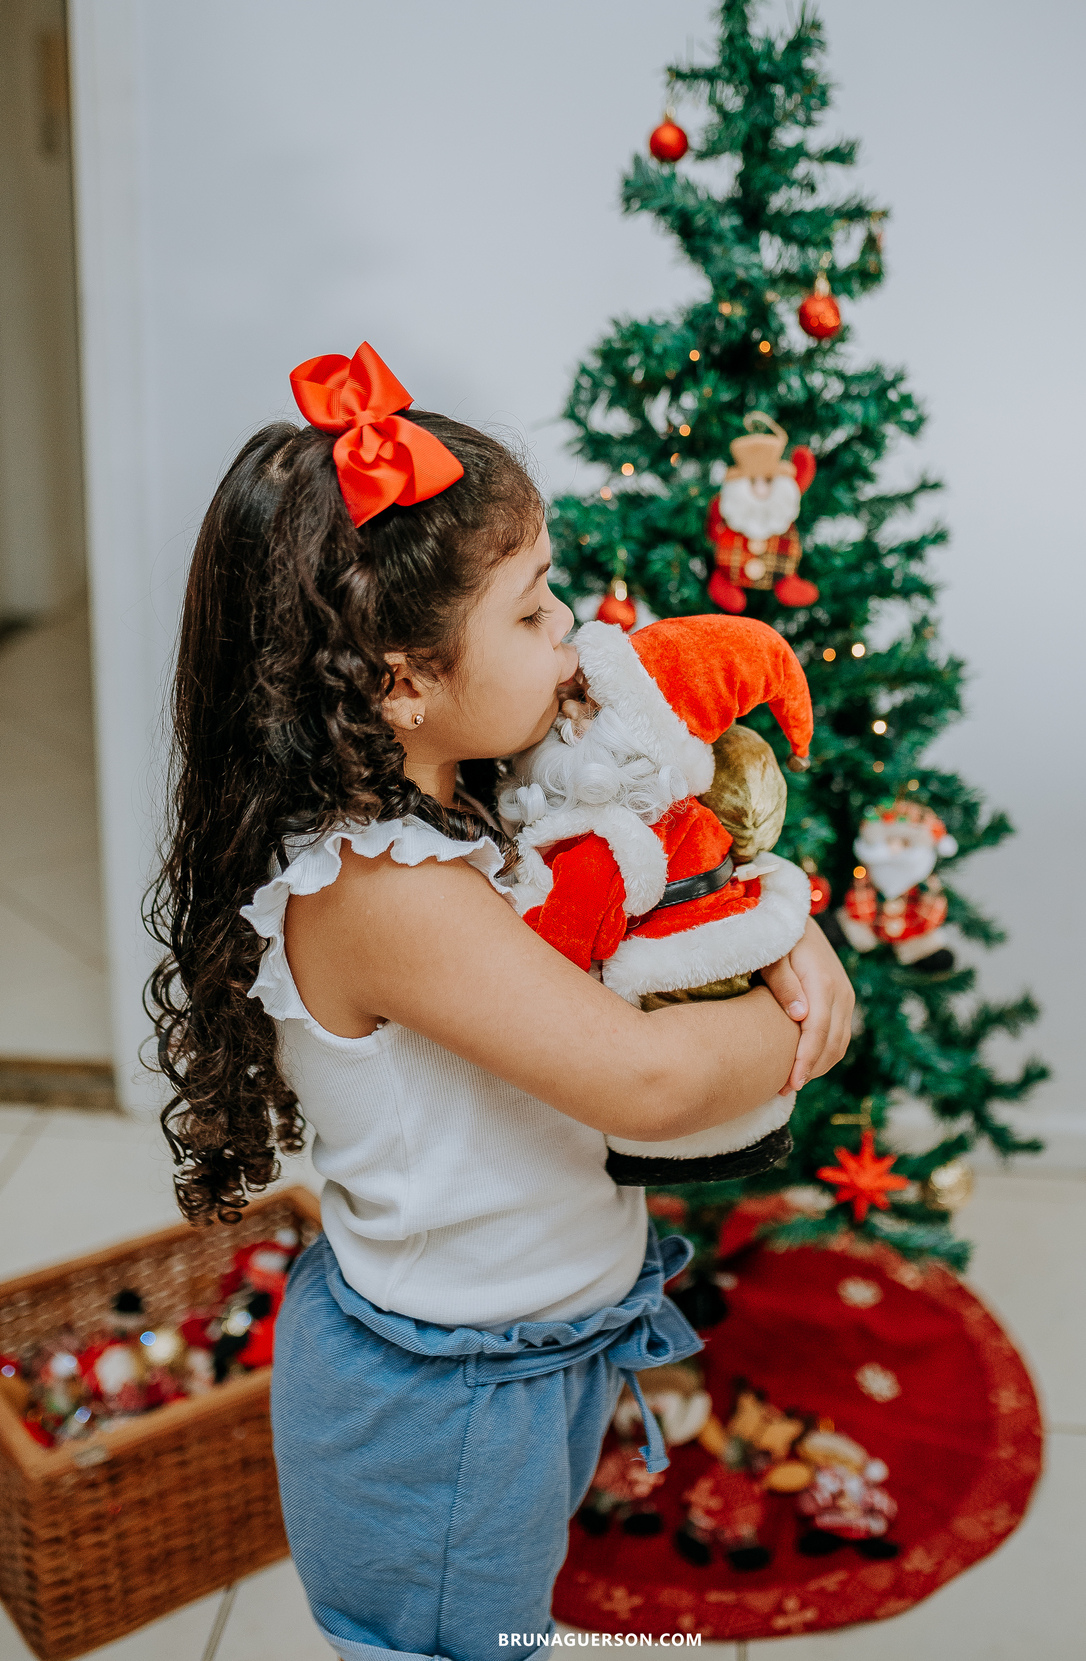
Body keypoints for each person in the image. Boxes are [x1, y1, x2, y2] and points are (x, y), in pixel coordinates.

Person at [147, 342, 853, 1661]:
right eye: (532, 614)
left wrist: (782, 928)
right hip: (449, 1404)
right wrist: (811, 1018)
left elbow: (657, 871)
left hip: (524, 1354)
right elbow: (645, 1078)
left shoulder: (468, 795)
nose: (571, 629)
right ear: (402, 680)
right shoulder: (383, 888)